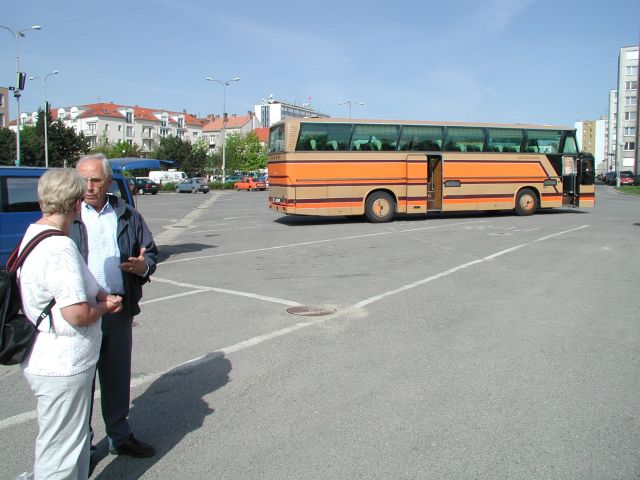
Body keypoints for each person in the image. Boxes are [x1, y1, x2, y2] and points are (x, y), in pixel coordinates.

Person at [19, 168, 123, 479]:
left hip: (45, 354)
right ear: (76, 204)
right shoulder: (59, 247)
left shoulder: (35, 234)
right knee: (60, 453)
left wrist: (99, 294)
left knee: (66, 442)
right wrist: (105, 306)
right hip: (63, 362)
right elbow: (76, 313)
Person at [71, 154, 158, 458]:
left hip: (118, 309)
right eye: (83, 180)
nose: (89, 187)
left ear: (108, 182)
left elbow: (151, 253)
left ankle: (119, 437)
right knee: (80, 384)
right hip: (80, 312)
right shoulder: (68, 214)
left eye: (96, 180)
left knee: (117, 378)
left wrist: (143, 267)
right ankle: (82, 448)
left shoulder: (127, 214)